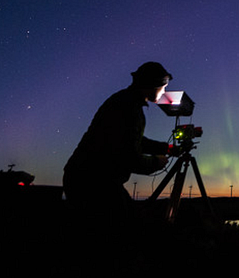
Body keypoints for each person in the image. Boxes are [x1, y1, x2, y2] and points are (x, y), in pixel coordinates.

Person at [63, 62, 173, 226]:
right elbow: (129, 157)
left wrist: (166, 148)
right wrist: (157, 162)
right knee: (122, 228)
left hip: (85, 176)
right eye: (163, 87)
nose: (164, 92)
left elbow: (132, 140)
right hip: (95, 181)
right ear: (151, 84)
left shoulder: (124, 100)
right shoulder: (131, 108)